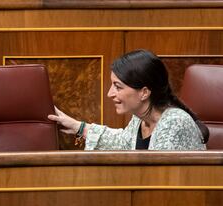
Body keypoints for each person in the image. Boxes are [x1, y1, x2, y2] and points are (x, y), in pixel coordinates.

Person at [48, 49, 209, 150]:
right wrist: (78, 127)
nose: (110, 94)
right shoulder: (141, 118)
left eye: (118, 86)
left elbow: (157, 180)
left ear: (144, 92)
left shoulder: (174, 123)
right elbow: (123, 142)